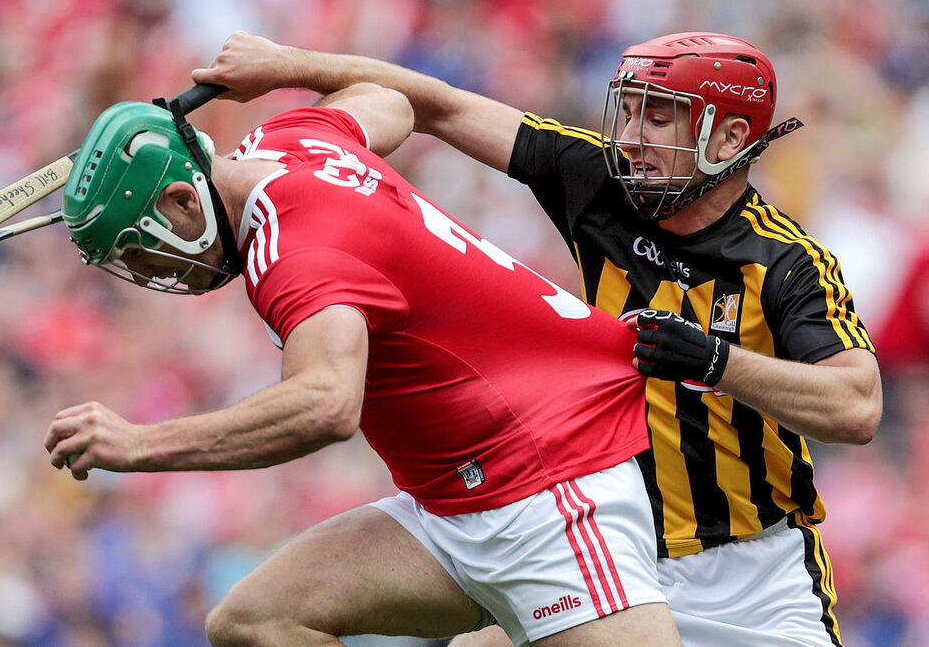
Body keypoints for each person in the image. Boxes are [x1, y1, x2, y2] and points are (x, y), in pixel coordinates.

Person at [192, 31, 883, 646]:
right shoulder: (599, 180)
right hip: (607, 541)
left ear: (729, 140)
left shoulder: (788, 262)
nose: (632, 137)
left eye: (659, 117)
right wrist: (289, 65)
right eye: (629, 111)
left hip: (751, 579)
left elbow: (856, 407)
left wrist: (712, 360)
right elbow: (439, 105)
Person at [45, 83, 683, 645]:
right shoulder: (289, 140)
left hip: (550, 485)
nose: (154, 276)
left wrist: (140, 445)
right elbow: (389, 102)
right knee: (255, 620)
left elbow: (325, 404)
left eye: (142, 253)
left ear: (185, 202)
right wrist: (291, 71)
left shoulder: (297, 252)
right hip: (454, 502)